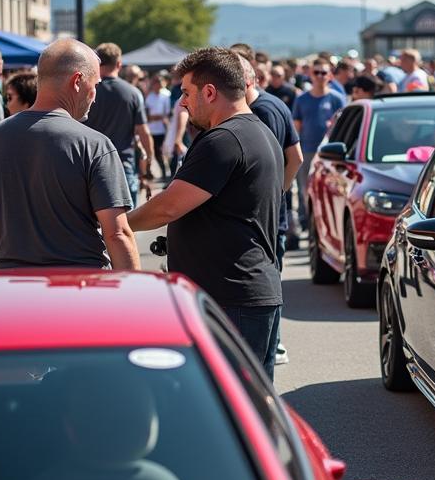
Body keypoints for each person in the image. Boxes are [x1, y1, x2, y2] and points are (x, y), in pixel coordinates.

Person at [126, 47, 283, 378]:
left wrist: (116, 224)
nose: (182, 102)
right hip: (244, 293)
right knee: (250, 409)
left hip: (230, 297)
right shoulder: (258, 131)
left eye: (186, 92)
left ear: (209, 92)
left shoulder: (224, 139)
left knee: (231, 410)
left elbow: (168, 206)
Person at [0, 39, 139, 271]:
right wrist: (134, 296)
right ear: (78, 81)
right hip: (78, 287)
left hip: (10, 286)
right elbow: (117, 233)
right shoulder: (94, 145)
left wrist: (12, 247)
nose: (95, 94)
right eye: (95, 84)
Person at [232, 47, 303, 367]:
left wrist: (272, 194)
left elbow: (279, 161)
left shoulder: (261, 112)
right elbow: (296, 157)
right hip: (273, 213)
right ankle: (272, 342)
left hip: (266, 217)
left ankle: (272, 344)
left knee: (265, 284)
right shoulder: (274, 105)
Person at [85, 43, 154, 207]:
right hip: (122, 165)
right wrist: (148, 164)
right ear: (119, 64)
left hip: (88, 165)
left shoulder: (86, 91)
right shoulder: (132, 93)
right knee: (126, 224)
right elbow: (143, 132)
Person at [292, 58, 345, 228]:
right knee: (304, 189)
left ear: (330, 75)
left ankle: (327, 224)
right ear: (310, 75)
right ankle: (306, 222)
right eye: (317, 72)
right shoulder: (302, 100)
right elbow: (296, 126)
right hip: (307, 150)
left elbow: (343, 126)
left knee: (329, 190)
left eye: (324, 72)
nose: (320, 76)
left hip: (330, 153)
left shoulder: (337, 98)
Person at [143, 73, 172, 179]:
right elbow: (146, 114)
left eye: (160, 83)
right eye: (156, 83)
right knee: (154, 152)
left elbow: (167, 113)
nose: (158, 85)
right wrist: (152, 118)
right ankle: (159, 171)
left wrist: (157, 117)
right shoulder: (149, 97)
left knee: (162, 151)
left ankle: (166, 171)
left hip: (162, 129)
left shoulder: (166, 95)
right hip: (151, 129)